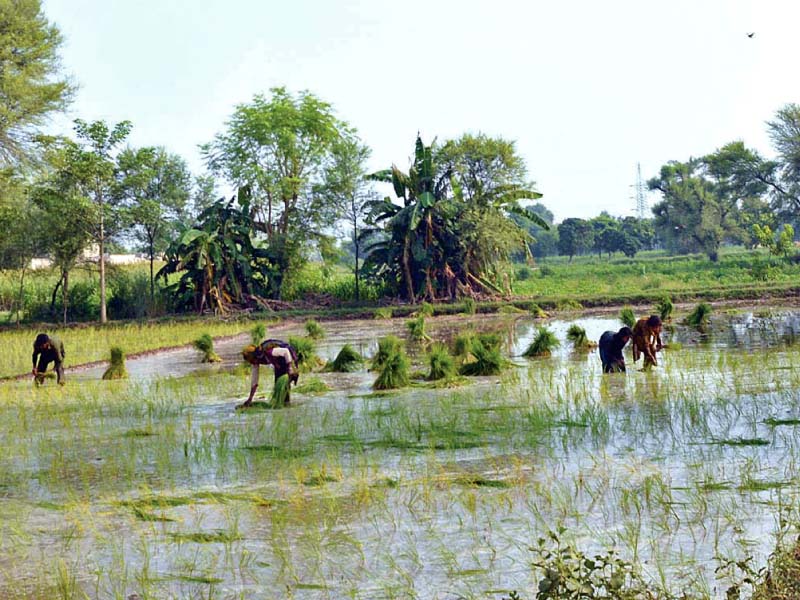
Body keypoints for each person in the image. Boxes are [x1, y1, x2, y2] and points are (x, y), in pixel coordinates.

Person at [240, 339, 300, 408]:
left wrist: (290, 368)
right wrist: (250, 399)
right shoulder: (256, 361)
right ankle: (284, 405)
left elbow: (286, 351)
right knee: (279, 384)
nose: (251, 363)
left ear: (253, 357)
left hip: (289, 358)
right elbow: (254, 382)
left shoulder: (268, 351)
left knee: (285, 384)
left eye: (250, 361)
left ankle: (286, 406)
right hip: (279, 363)